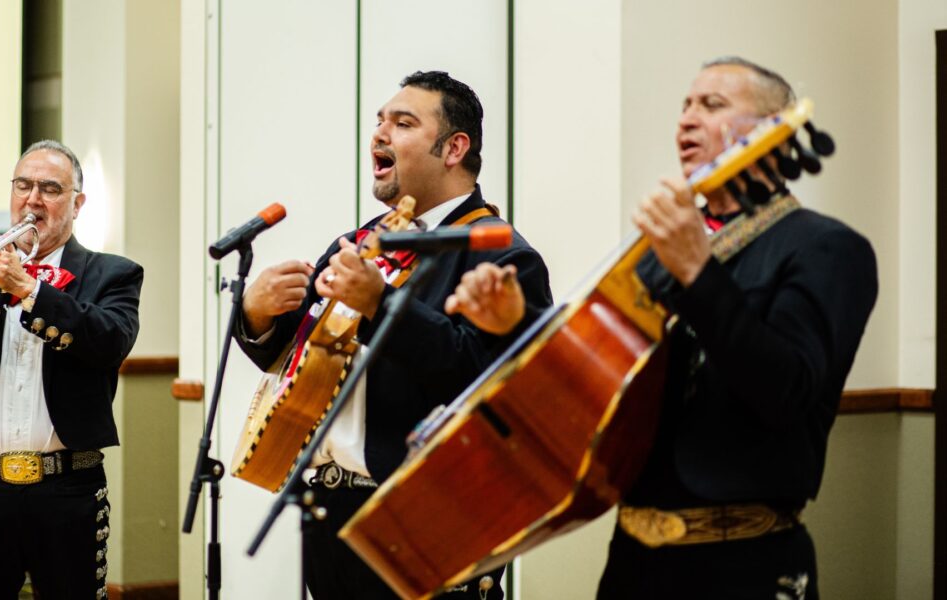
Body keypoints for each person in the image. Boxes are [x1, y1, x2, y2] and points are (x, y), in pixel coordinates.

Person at [445, 57, 878, 599]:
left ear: (775, 129)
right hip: (633, 560)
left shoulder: (827, 249)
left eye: (713, 105)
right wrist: (516, 323)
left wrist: (699, 274)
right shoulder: (661, 252)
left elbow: (788, 391)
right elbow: (603, 362)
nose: (687, 121)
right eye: (686, 106)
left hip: (746, 562)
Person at [235, 71, 553, 599]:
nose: (379, 134)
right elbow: (296, 358)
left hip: (426, 518)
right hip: (328, 512)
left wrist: (380, 305)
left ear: (454, 148)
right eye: (379, 121)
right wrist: (259, 315)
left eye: (402, 123)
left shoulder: (499, 253)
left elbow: (483, 380)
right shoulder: (360, 242)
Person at [0, 140, 143, 599]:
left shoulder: (112, 273)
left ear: (77, 204)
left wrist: (30, 289)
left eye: (50, 188)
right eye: (23, 185)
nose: (33, 199)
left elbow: (110, 341)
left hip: (67, 488)